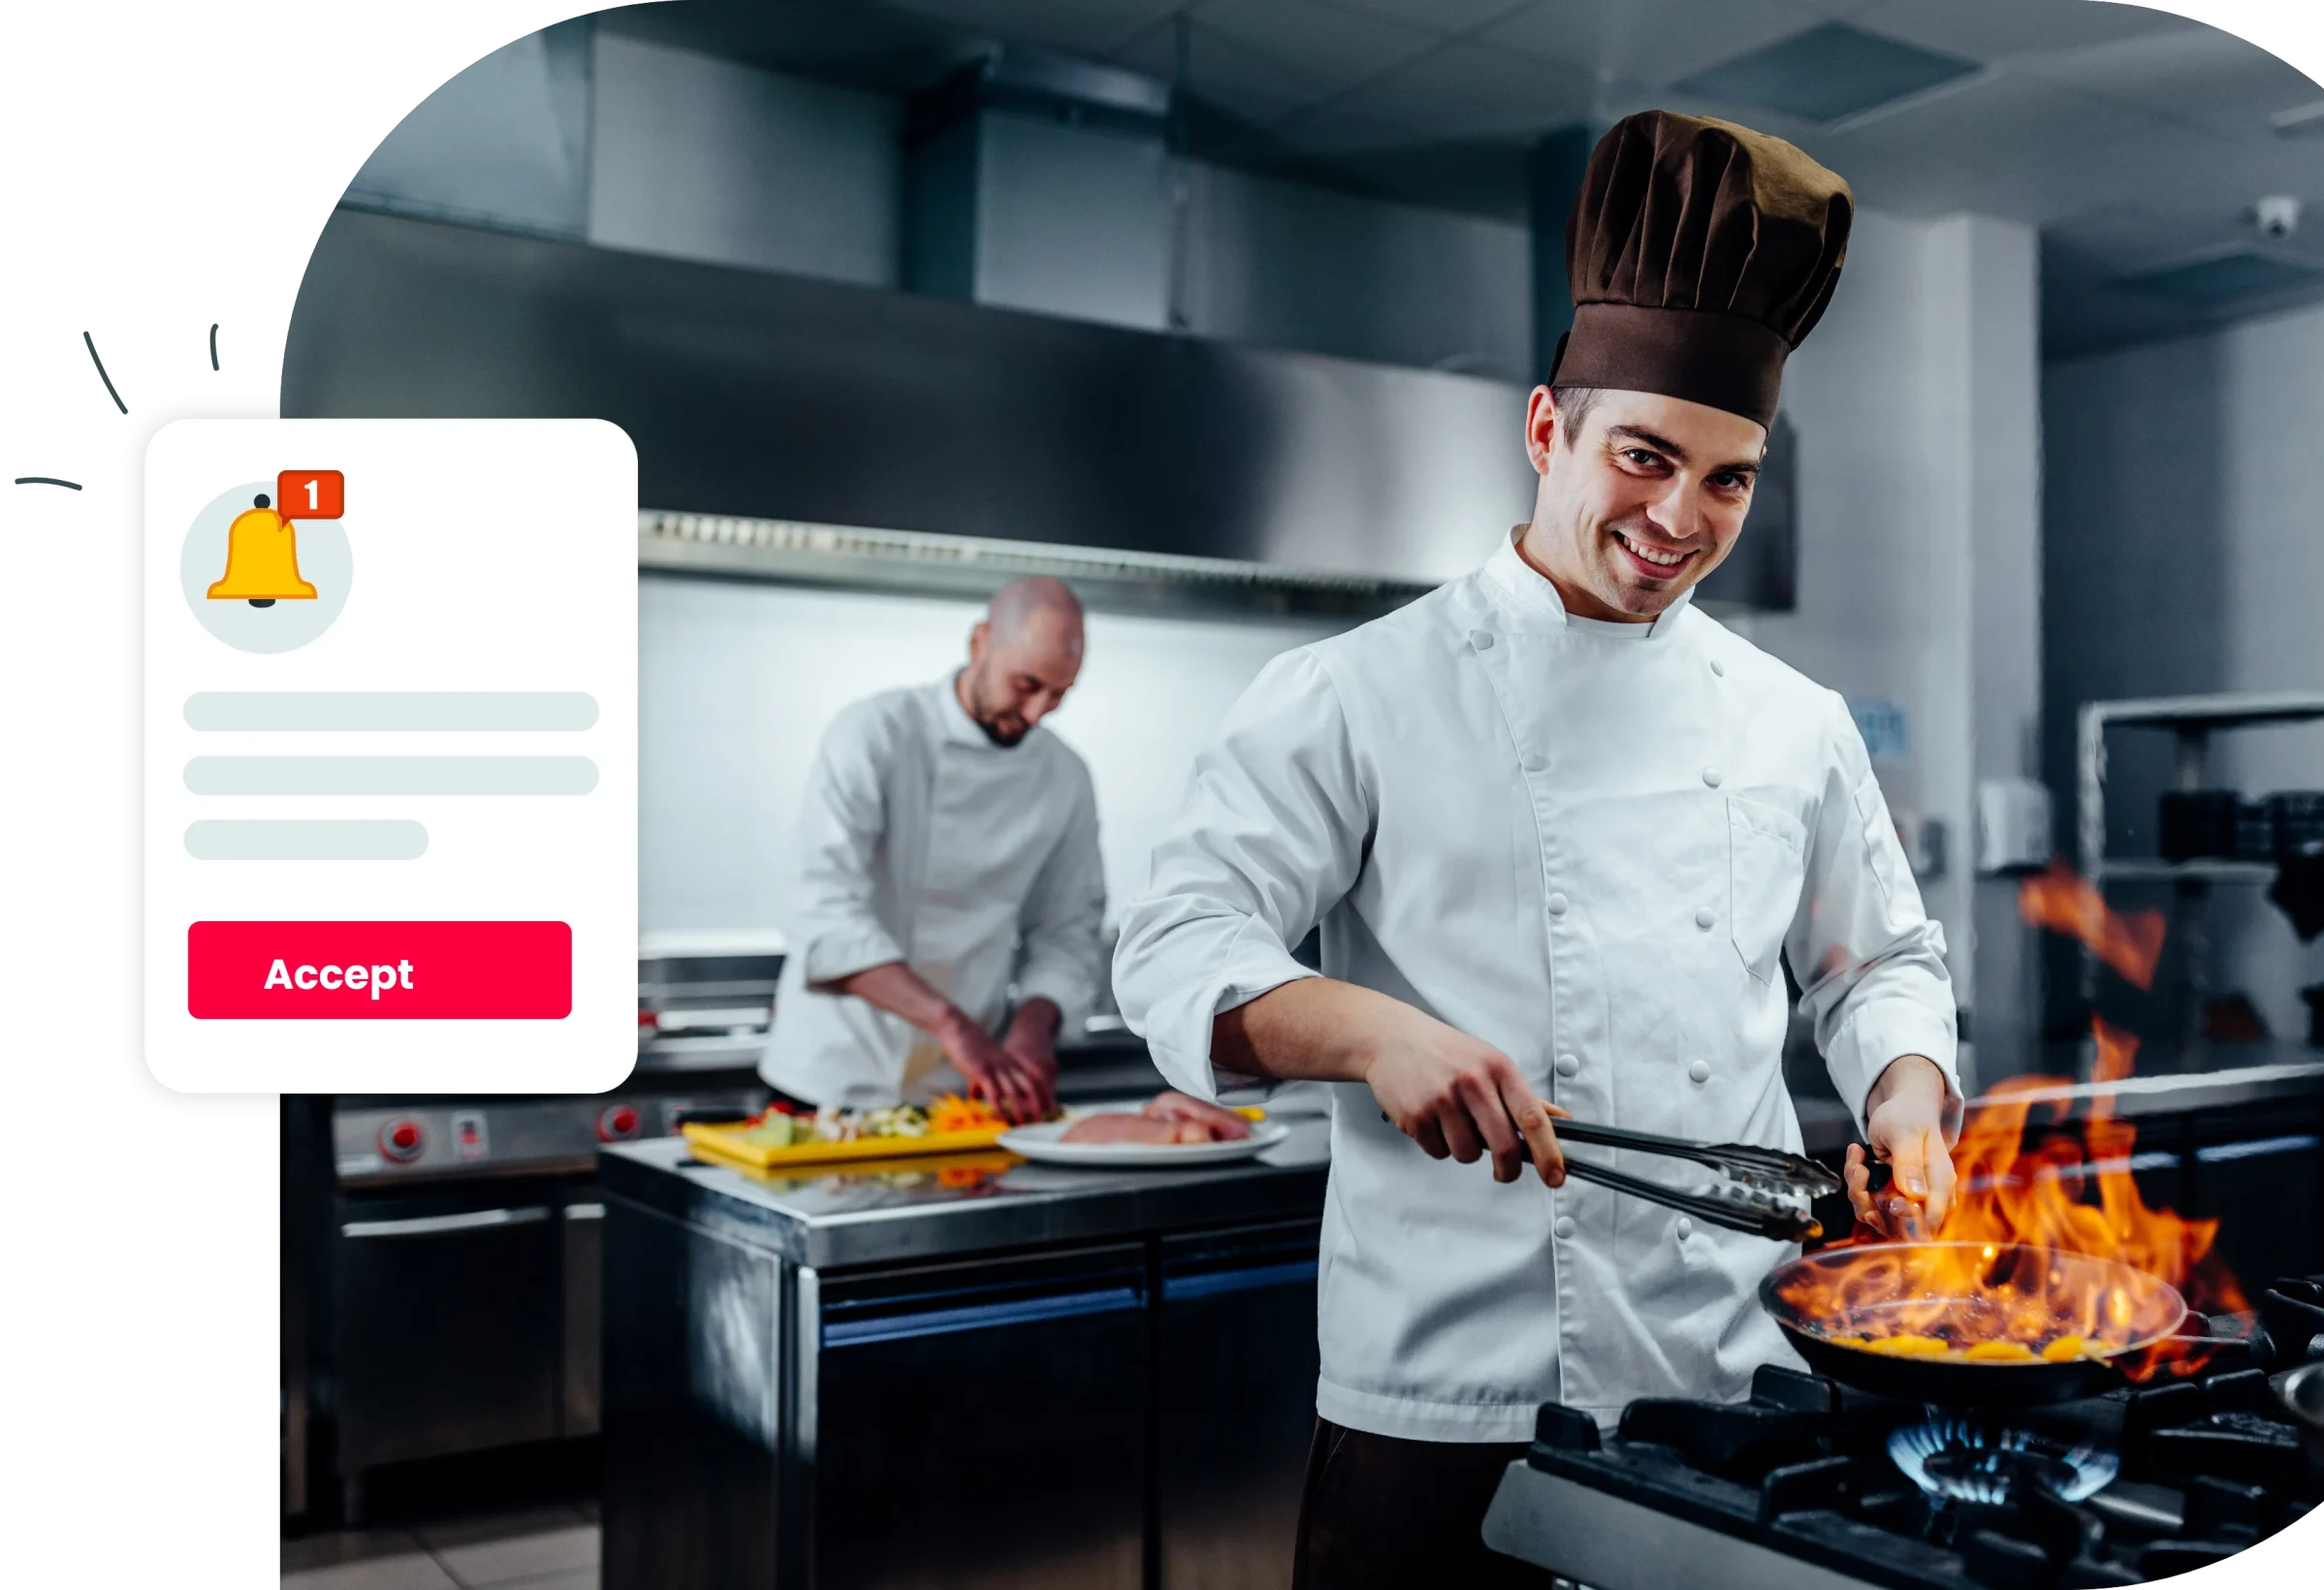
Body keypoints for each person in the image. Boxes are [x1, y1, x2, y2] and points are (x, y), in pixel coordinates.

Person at [1111, 111, 1963, 1588]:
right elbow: (1176, 942)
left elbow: (1878, 961)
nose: (1678, 518)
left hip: (1738, 1387)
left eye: (1728, 478)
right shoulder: (1361, 691)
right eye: (1644, 455)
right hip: (1447, 1409)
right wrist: (1371, 1034)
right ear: (1544, 427)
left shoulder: (1789, 719)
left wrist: (1906, 1101)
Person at [760, 576, 1107, 1120]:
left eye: (1059, 694)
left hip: (962, 1091)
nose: (1039, 712)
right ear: (979, 643)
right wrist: (952, 1025)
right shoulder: (874, 734)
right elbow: (825, 913)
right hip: (833, 1077)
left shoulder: (1066, 777)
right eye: (1026, 685)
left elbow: (1066, 931)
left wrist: (1033, 1027)